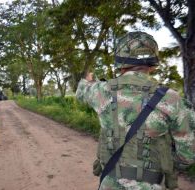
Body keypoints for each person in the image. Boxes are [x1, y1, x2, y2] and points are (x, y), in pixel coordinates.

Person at [76, 31, 195, 190]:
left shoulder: (100, 91)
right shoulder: (171, 99)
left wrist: (89, 80)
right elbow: (187, 156)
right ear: (152, 64)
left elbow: (81, 91)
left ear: (120, 61)